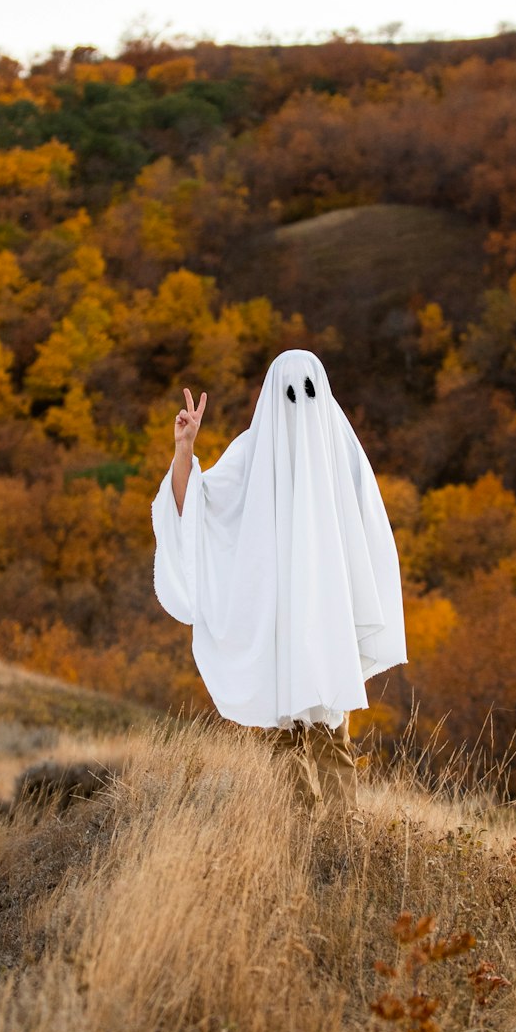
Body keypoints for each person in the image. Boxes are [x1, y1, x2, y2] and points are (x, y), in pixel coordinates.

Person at [151, 349, 407, 815]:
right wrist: (184, 448)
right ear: (271, 396)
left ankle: (342, 840)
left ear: (323, 391)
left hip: (326, 618)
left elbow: (369, 533)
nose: (299, 404)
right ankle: (295, 835)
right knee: (281, 744)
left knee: (332, 738)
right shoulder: (252, 452)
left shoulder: (340, 449)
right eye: (289, 394)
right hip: (273, 622)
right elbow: (197, 510)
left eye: (308, 392)